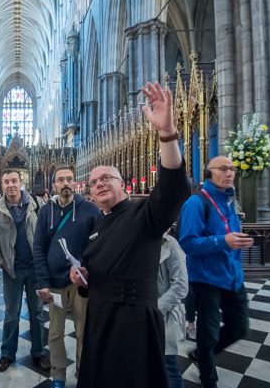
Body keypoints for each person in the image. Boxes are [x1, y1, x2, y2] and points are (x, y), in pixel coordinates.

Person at [70, 81, 190, 388]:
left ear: (123, 184)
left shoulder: (143, 214)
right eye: (94, 181)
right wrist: (82, 277)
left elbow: (173, 190)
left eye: (107, 178)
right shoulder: (99, 225)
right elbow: (95, 274)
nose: (99, 183)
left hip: (133, 324)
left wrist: (167, 134)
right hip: (100, 322)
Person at [177, 155, 252, 388]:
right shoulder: (196, 203)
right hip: (206, 279)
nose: (229, 172)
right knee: (208, 335)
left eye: (232, 168)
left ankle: (200, 354)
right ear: (209, 173)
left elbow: (230, 234)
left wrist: (236, 243)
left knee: (240, 328)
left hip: (232, 278)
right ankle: (208, 380)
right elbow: (187, 243)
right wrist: (223, 241)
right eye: (223, 168)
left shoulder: (230, 200)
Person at [33, 166, 100, 388]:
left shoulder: (90, 210)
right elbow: (39, 248)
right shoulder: (45, 212)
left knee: (83, 332)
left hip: (81, 283)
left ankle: (84, 372)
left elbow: (98, 246)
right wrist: (42, 281)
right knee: (55, 333)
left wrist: (85, 269)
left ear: (76, 182)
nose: (65, 183)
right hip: (54, 283)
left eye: (69, 179)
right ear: (54, 184)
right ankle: (58, 376)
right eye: (60, 180)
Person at [0, 169, 51, 373]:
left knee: (37, 312)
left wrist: (45, 264)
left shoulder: (37, 204)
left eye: (14, 181)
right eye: (6, 181)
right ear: (2, 184)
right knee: (11, 314)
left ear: (21, 181)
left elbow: (47, 233)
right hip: (12, 269)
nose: (11, 185)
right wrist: (2, 262)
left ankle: (39, 352)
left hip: (34, 268)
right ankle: (7, 353)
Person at [157, 232, 188, 388]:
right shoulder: (134, 240)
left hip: (163, 317)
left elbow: (181, 287)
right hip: (138, 317)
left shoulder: (170, 244)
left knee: (168, 368)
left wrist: (156, 309)